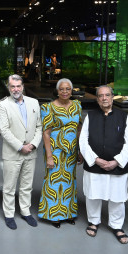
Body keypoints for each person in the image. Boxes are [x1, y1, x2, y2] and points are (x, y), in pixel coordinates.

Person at [79, 85, 128, 243]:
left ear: (112, 97)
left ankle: (117, 225)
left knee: (117, 197)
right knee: (93, 195)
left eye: (107, 95)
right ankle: (93, 221)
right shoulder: (90, 116)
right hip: (95, 163)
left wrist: (116, 161)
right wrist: (95, 159)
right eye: (101, 96)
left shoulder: (124, 117)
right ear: (97, 99)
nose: (104, 98)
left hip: (116, 165)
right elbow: (83, 141)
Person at [0, 74, 42, 230]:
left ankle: (25, 211)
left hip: (31, 152)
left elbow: (39, 127)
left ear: (23, 86)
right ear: (8, 88)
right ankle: (9, 214)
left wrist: (33, 144)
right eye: (12, 86)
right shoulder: (3, 105)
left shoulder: (34, 102)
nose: (15, 89)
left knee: (26, 185)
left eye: (18, 86)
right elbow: (4, 129)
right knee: (9, 186)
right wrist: (20, 146)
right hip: (13, 152)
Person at [38, 78, 83, 228]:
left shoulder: (77, 105)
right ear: (57, 91)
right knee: (54, 180)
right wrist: (49, 156)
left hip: (71, 150)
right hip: (55, 150)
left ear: (72, 91)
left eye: (68, 89)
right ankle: (53, 214)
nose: (65, 92)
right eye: (62, 89)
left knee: (69, 180)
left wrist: (80, 150)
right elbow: (46, 133)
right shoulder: (48, 107)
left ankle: (68, 213)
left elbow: (79, 129)